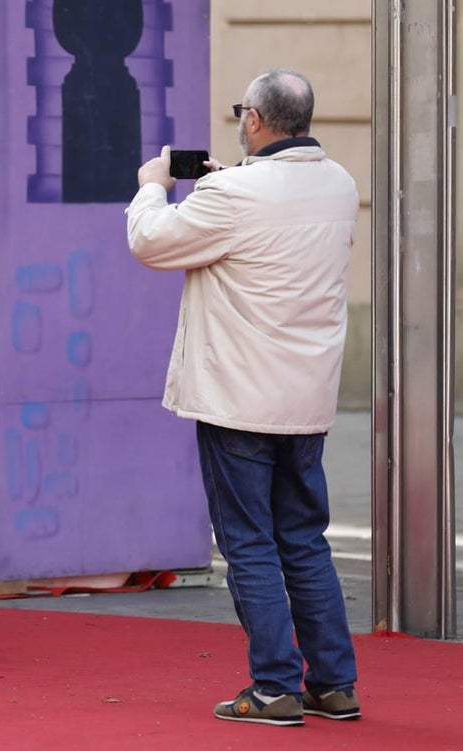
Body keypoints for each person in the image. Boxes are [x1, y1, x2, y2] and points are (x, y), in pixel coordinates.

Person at [125, 70, 360, 726]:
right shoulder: (340, 183)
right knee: (305, 539)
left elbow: (150, 241)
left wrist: (153, 186)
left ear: (254, 119)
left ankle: (275, 688)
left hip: (238, 396)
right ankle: (334, 682)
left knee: (249, 541)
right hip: (305, 395)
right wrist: (228, 183)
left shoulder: (233, 192)